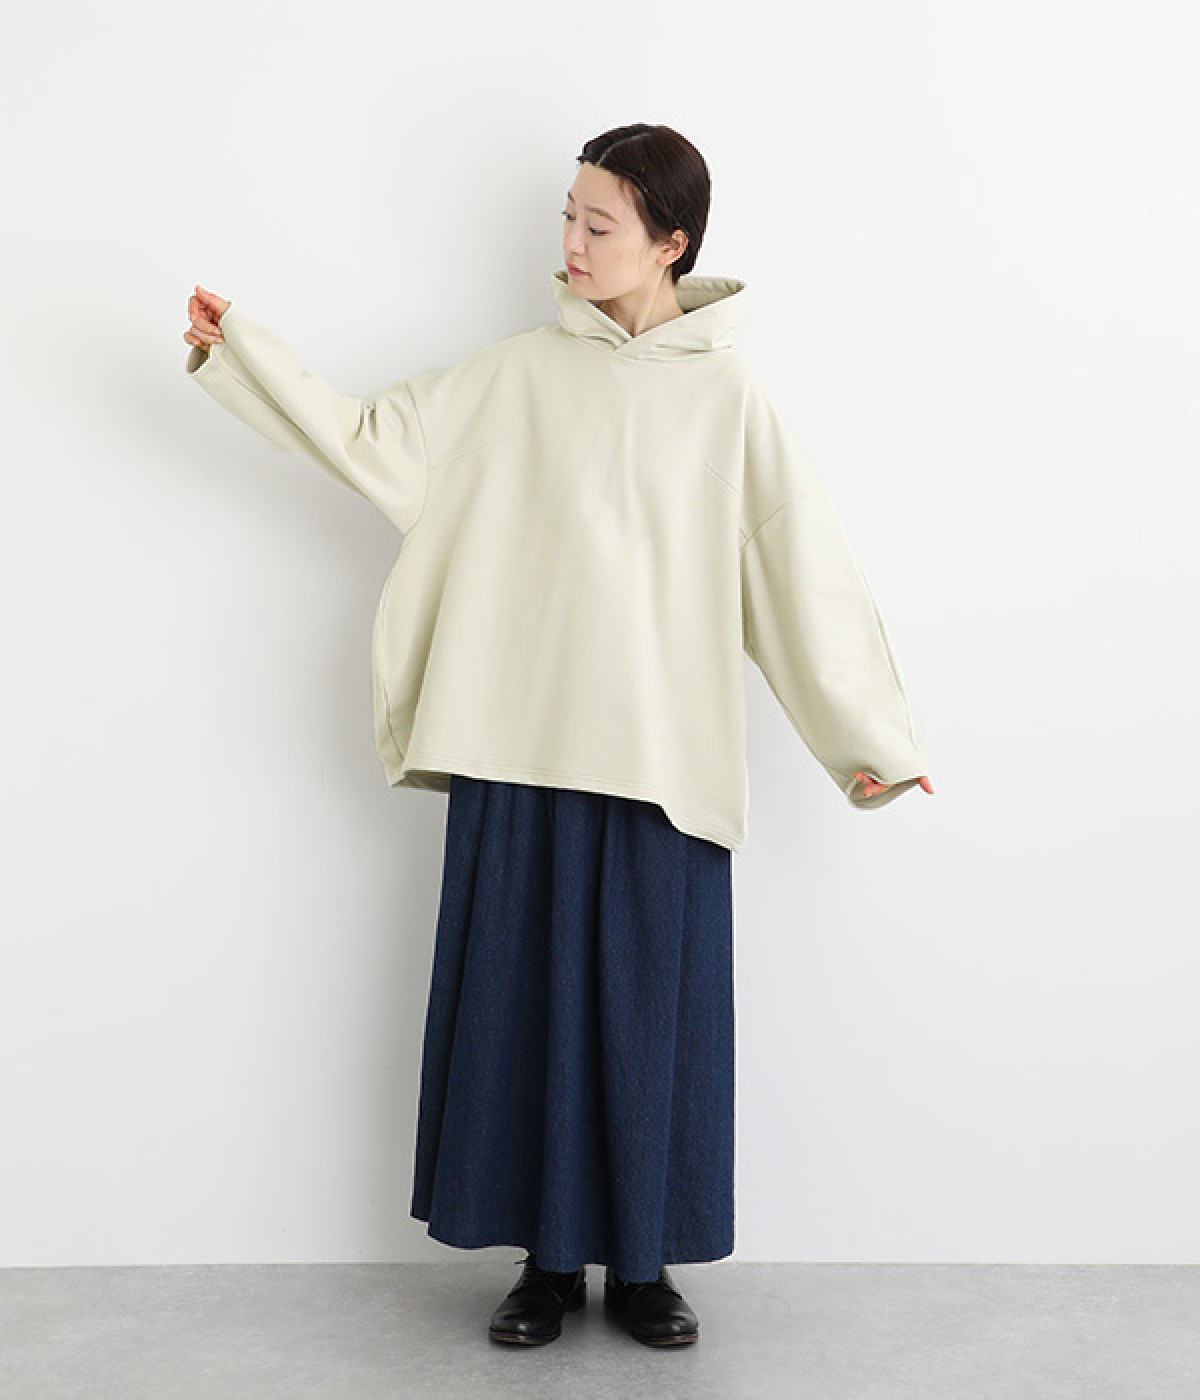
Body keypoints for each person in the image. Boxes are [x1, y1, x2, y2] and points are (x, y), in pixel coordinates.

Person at [183, 122, 934, 1351]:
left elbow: (795, 569)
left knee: (645, 1019)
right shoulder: (518, 375)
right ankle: (541, 1264)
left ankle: (641, 1267)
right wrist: (242, 352)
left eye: (600, 223)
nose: (573, 244)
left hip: (661, 762)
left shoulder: (728, 398)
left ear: (671, 242)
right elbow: (374, 440)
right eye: (568, 217)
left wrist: (872, 739)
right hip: (519, 740)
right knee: (522, 1008)